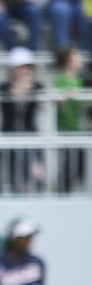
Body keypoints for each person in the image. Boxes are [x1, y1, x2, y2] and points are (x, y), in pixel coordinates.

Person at [0, 46, 44, 192]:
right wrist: (15, 92)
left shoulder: (37, 87)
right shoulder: (3, 88)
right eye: (20, 67)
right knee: (9, 169)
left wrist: (28, 91)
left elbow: (41, 102)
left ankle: (31, 188)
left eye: (27, 67)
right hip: (8, 133)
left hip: (30, 134)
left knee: (35, 167)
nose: (24, 71)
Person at [52, 46, 86, 193]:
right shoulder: (60, 79)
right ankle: (62, 191)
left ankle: (72, 189)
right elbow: (59, 102)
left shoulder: (78, 80)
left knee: (80, 164)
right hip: (65, 128)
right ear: (68, 61)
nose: (80, 61)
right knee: (66, 164)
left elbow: (82, 105)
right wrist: (68, 95)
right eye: (76, 57)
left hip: (78, 128)